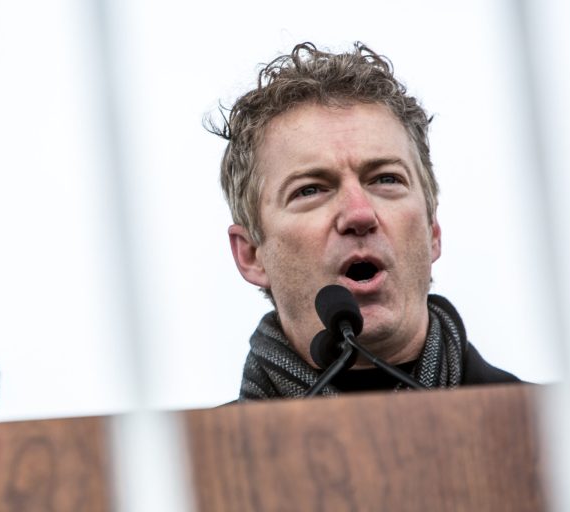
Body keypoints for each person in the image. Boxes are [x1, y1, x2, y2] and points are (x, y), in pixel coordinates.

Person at [208, 42, 519, 400]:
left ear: (432, 231)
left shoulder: (557, 437)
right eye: (310, 190)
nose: (359, 214)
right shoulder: (203, 456)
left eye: (386, 179)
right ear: (250, 254)